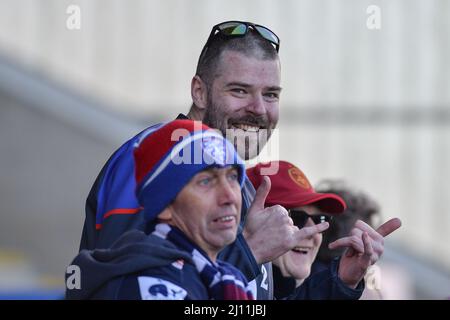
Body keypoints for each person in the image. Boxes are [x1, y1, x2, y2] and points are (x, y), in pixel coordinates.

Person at [78, 20, 399, 299]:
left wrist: (341, 280)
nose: (259, 109)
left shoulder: (239, 182)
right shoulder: (155, 156)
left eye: (271, 94)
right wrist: (247, 252)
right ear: (199, 92)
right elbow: (122, 285)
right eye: (240, 90)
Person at [67, 119, 264, 299]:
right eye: (205, 181)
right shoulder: (150, 287)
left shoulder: (226, 278)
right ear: (164, 207)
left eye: (232, 177)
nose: (229, 196)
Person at [247, 161, 403, 299]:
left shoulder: (285, 290)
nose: (313, 231)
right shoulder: (232, 283)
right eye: (295, 217)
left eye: (319, 220)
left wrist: (342, 282)